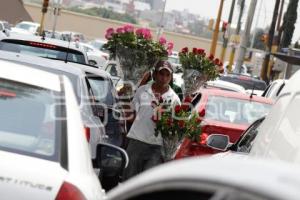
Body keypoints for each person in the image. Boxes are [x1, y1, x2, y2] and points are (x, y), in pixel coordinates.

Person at [122, 60, 180, 181]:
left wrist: (163, 122)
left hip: (157, 147)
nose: (164, 78)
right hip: (137, 141)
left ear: (171, 77)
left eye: (167, 75)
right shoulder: (142, 90)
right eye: (161, 74)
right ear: (154, 74)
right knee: (129, 181)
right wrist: (124, 100)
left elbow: (175, 127)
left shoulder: (174, 98)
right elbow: (131, 115)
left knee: (147, 183)